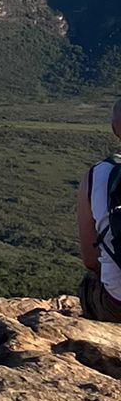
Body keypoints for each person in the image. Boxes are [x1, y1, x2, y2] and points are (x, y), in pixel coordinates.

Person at [76, 98, 121, 323]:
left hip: (116, 306)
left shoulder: (96, 176)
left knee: (89, 282)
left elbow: (91, 260)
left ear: (114, 129)